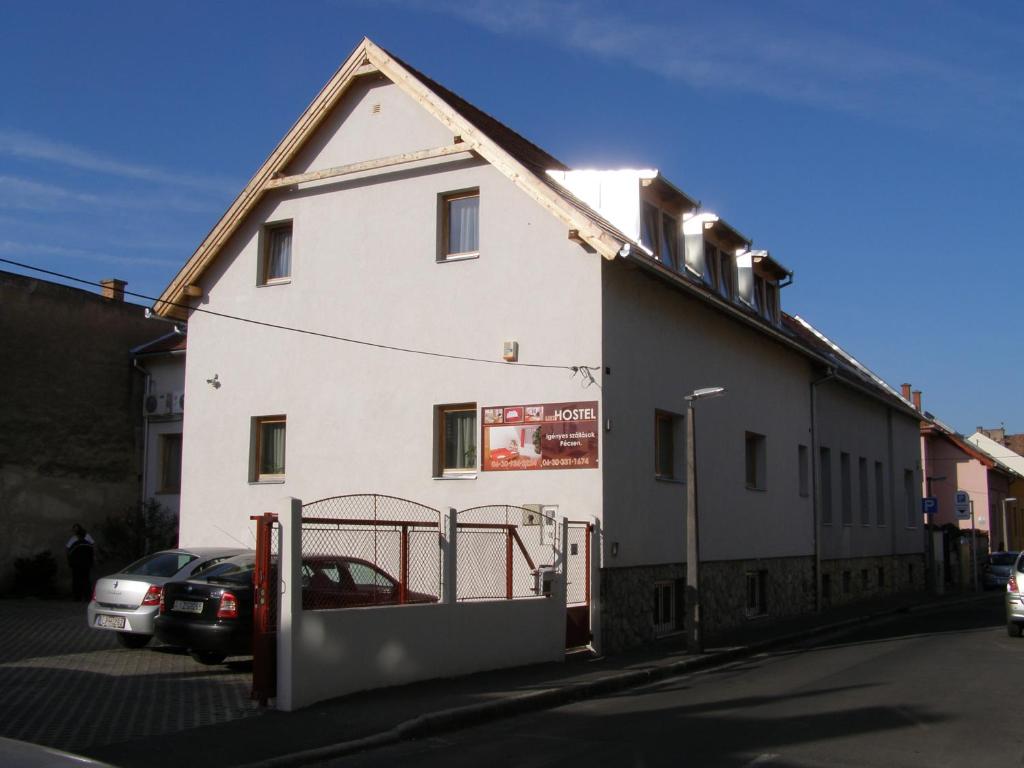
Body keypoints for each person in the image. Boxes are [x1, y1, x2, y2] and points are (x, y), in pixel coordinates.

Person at [66, 524, 95, 601]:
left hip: (77, 566)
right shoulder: (88, 545)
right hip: (85, 565)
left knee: (77, 581)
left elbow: (69, 553)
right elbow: (91, 554)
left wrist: (71, 563)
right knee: (86, 580)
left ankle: (77, 597)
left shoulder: (75, 545)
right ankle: (87, 597)